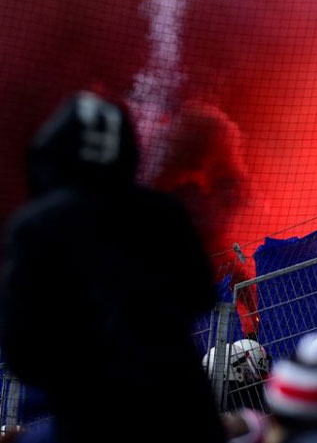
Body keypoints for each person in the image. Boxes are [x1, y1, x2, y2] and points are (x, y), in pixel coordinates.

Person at [0, 92, 225, 443]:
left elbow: (21, 348)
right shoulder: (165, 213)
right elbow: (201, 296)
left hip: (90, 420)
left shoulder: (33, 228)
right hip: (185, 413)